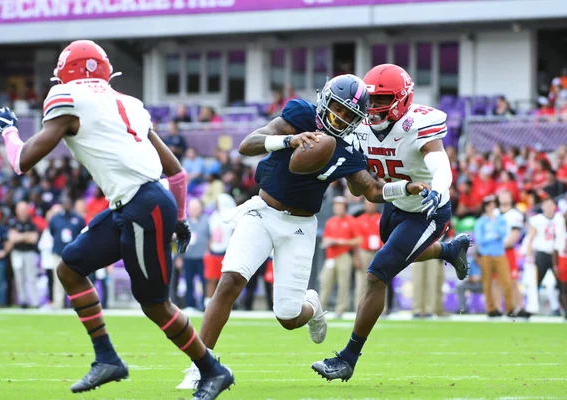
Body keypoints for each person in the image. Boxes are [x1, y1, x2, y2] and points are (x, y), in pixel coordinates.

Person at [177, 73, 454, 389]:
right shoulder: (300, 114)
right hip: (262, 212)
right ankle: (202, 366)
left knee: (289, 317)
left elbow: (372, 190)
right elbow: (247, 145)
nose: (341, 118)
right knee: (230, 281)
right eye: (338, 108)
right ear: (324, 100)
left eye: (351, 115)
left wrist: (405, 188)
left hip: (299, 226)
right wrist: (289, 140)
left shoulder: (349, 148)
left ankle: (313, 306)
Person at [0, 40, 233, 400]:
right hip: (140, 202)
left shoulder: (68, 97)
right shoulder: (131, 104)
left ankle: (213, 370)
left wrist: (8, 130)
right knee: (70, 267)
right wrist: (179, 217)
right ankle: (107, 358)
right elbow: (177, 173)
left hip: (142, 204)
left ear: (65, 73)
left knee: (154, 303)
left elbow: (21, 161)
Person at [311, 64, 471, 381]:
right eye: (371, 99)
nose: (375, 107)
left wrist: (440, 192)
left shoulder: (418, 123)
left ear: (402, 98)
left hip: (427, 209)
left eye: (383, 99)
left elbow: (440, 164)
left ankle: (348, 358)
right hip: (393, 202)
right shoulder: (358, 126)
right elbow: (364, 188)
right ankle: (449, 251)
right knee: (398, 251)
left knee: (377, 274)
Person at [473, 195, 514, 317]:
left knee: (506, 281)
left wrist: (494, 223)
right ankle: (490, 309)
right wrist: (493, 236)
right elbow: (480, 240)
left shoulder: (500, 219)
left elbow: (502, 233)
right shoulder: (480, 221)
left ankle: (509, 308)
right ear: (485, 207)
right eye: (488, 205)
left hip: (499, 254)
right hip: (486, 255)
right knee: (487, 282)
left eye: (493, 205)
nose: (491, 208)